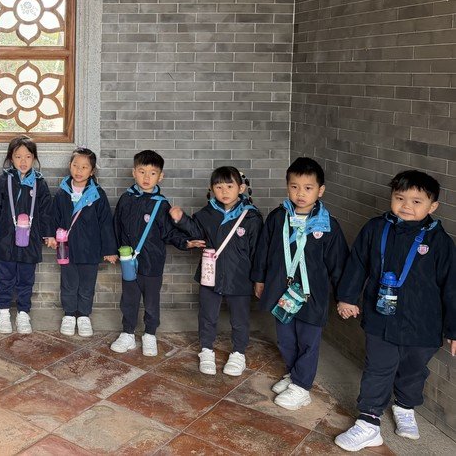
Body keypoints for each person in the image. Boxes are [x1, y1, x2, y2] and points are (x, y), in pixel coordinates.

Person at [333, 170, 456, 451]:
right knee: (378, 368)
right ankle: (368, 421)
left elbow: (452, 286)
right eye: (400, 198)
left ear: (432, 206)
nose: (406, 206)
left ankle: (405, 406)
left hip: (423, 324)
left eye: (416, 201)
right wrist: (347, 298)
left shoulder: (439, 242)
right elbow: (357, 264)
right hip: (381, 318)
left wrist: (453, 328)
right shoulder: (376, 228)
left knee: (413, 370)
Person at [251, 157, 348, 410]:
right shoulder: (278, 217)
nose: (300, 193)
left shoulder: (328, 225)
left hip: (311, 295)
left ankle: (302, 387)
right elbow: (263, 250)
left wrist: (344, 297)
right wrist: (260, 279)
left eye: (308, 188)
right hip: (281, 290)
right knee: (285, 338)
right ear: (287, 187)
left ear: (320, 190)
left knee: (308, 340)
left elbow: (339, 264)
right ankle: (294, 374)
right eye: (294, 187)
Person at [170, 166, 262, 377]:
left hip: (240, 277)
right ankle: (206, 350)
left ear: (241, 188)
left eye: (229, 186)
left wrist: (258, 279)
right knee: (207, 315)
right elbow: (196, 232)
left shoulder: (251, 217)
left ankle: (238, 353)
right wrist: (181, 219)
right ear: (211, 190)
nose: (224, 191)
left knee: (239, 319)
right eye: (219, 187)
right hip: (209, 274)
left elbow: (258, 251)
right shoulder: (206, 214)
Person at [110, 150, 204, 355]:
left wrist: (186, 243)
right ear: (133, 172)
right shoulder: (125, 199)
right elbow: (115, 227)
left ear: (160, 176)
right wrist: (112, 251)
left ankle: (150, 334)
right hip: (128, 262)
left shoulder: (161, 204)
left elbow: (169, 233)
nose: (146, 177)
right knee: (129, 299)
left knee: (151, 301)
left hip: (153, 262)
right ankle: (127, 333)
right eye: (142, 171)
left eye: (152, 173)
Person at [46, 147, 117, 337]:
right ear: (69, 166)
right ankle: (69, 315)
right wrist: (50, 236)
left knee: (87, 285)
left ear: (92, 171)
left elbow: (106, 224)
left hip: (90, 250)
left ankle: (84, 315)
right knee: (68, 284)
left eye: (84, 167)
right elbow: (53, 217)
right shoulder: (62, 193)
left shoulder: (97, 194)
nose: (79, 170)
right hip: (66, 248)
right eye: (75, 165)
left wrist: (109, 250)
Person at [0, 136, 54, 334]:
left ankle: (23, 312)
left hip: (30, 240)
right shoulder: (3, 181)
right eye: (18, 157)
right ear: (11, 158)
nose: (23, 161)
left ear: (34, 158)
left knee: (26, 278)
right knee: (5, 277)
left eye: (28, 156)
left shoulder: (39, 183)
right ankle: (3, 311)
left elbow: (46, 211)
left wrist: (48, 234)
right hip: (5, 239)